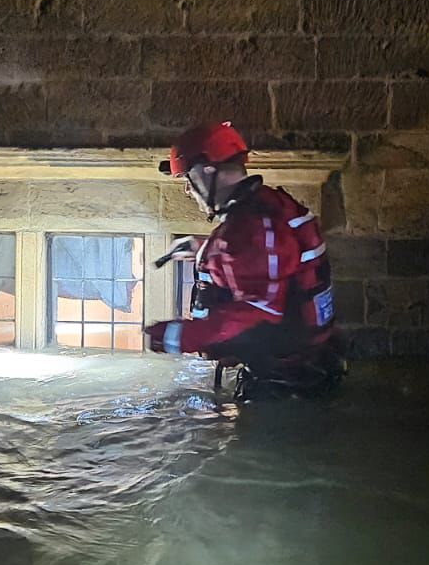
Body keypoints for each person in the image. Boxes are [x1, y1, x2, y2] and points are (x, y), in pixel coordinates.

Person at [143, 122, 345, 395]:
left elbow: (258, 315)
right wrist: (202, 249)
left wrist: (171, 336)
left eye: (189, 180)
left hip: (284, 389)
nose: (188, 191)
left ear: (207, 171)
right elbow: (266, 264)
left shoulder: (254, 226)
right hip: (300, 370)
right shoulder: (265, 207)